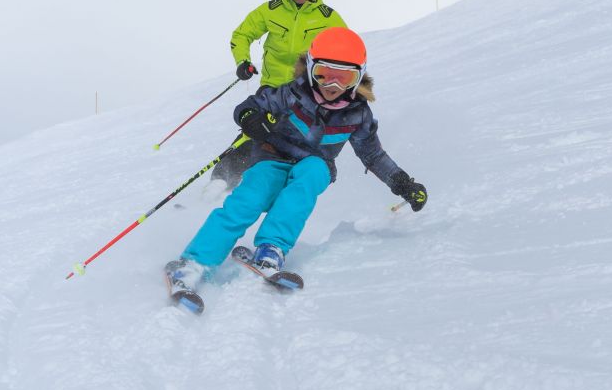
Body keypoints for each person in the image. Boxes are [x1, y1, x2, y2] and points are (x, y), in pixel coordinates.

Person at [167, 27, 428, 293]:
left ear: (358, 78)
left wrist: (403, 184)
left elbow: (373, 155)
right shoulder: (292, 93)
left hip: (315, 163)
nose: (332, 86)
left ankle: (272, 248)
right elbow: (253, 104)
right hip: (272, 157)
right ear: (311, 69)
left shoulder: (358, 114)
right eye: (323, 75)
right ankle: (195, 263)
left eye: (344, 78)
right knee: (248, 200)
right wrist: (250, 117)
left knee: (311, 176)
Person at [212, 0, 348, 188]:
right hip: (272, 89)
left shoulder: (328, 18)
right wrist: (243, 61)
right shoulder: (271, 10)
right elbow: (242, 35)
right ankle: (218, 185)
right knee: (253, 132)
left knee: (294, 142)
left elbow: (346, 52)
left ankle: (285, 185)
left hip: (306, 93)